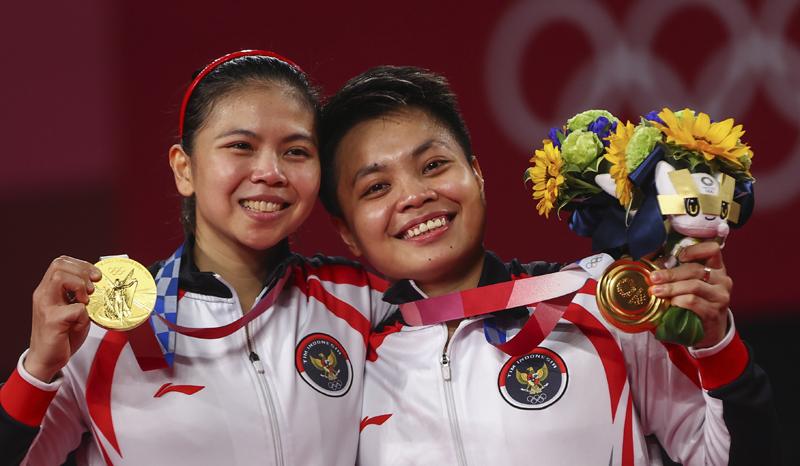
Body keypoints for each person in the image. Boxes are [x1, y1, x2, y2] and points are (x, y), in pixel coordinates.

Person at [319, 66, 779, 465]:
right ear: (346, 232)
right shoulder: (351, 374)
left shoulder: (602, 304)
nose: (414, 196)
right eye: (376, 188)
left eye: (434, 165)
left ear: (477, 174)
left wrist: (715, 345)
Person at [0, 50, 393, 465]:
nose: (271, 172)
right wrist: (37, 370)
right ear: (184, 169)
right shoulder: (101, 330)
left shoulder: (363, 302)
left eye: (296, 151)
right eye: (241, 146)